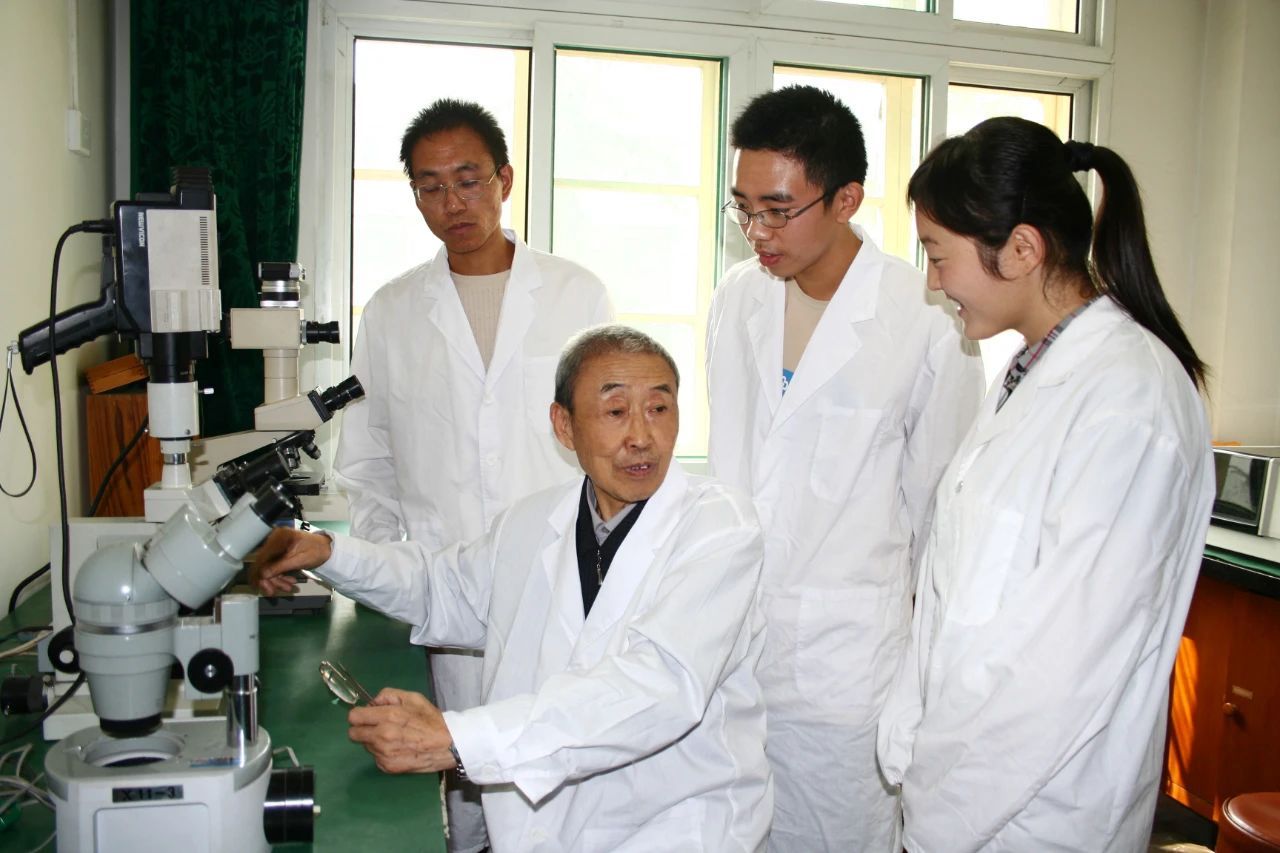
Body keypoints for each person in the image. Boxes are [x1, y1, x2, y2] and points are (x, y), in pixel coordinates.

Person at [257, 326, 772, 852]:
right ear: (564, 426)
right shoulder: (533, 521)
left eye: (659, 409)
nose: (642, 436)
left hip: (675, 826)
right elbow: (442, 588)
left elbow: (658, 685)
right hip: (548, 829)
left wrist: (459, 739)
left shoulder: (719, 527)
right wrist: (327, 552)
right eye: (616, 411)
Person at [876, 117, 1214, 851]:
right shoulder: (1029, 372)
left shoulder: (1131, 401)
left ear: (1023, 249)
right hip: (963, 786)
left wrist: (941, 814)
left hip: (1036, 812)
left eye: (938, 255)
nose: (932, 281)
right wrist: (915, 743)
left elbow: (1063, 667)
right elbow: (957, 592)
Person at [705, 85, 985, 850]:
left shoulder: (924, 315)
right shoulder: (738, 298)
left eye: (777, 209)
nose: (757, 232)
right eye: (743, 209)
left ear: (846, 199)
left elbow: (941, 508)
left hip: (847, 668)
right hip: (734, 645)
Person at [335, 99, 612, 852]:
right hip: (450, 596)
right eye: (430, 187)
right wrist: (390, 575)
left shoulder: (576, 293)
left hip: (562, 586)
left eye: (468, 180)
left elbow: (611, 440)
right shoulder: (391, 311)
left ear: (505, 180)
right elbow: (367, 461)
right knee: (463, 801)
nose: (452, 203)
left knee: (563, 791)